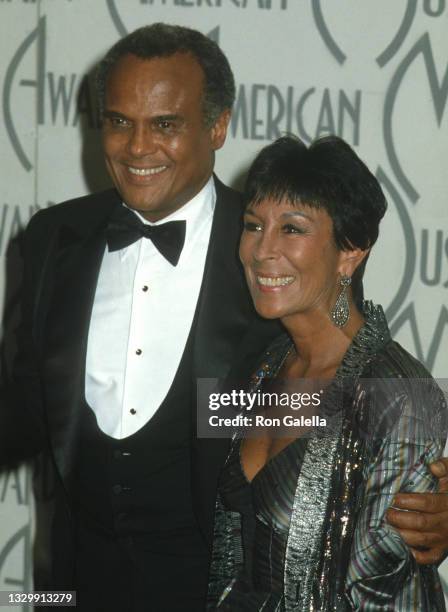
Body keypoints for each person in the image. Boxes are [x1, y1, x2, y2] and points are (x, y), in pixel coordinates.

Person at [0, 22, 447, 612]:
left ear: (217, 126)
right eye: (118, 122)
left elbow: (353, 409)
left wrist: (426, 499)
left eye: (164, 124)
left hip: (214, 593)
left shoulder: (268, 264)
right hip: (72, 587)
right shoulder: (55, 239)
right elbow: (27, 408)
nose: (137, 148)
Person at [206, 135, 448, 610]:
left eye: (292, 229)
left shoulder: (399, 395)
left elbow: (379, 593)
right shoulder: (257, 367)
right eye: (253, 225)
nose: (261, 250)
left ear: (350, 251)